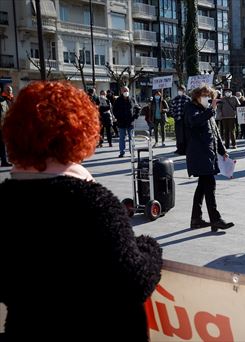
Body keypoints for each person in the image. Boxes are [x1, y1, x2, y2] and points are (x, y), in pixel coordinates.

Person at [0, 81, 162, 340]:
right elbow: (135, 279)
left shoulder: (5, 201)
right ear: (78, 132)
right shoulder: (92, 203)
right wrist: (148, 246)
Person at [184, 85, 234, 231]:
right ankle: (216, 219)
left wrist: (222, 150)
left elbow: (215, 132)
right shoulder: (191, 108)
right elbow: (193, 122)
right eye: (205, 95)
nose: (208, 99)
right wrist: (210, 110)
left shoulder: (208, 112)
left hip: (209, 153)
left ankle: (196, 219)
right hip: (199, 153)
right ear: (197, 96)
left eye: (210, 96)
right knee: (210, 185)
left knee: (202, 187)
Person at [113, 86, 141, 157]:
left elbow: (138, 108)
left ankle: (132, 152)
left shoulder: (132, 99)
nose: (125, 92)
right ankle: (122, 152)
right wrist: (118, 117)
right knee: (122, 138)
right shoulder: (118, 100)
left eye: (127, 90)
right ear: (121, 92)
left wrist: (135, 116)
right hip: (121, 122)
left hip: (130, 122)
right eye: (124, 90)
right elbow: (114, 110)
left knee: (131, 138)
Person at [170, 85, 191, 155]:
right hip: (177, 120)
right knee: (178, 135)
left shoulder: (188, 99)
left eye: (181, 90)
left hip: (185, 121)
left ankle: (186, 149)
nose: (180, 91)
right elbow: (172, 109)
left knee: (185, 135)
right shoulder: (175, 99)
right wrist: (175, 116)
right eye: (179, 90)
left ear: (184, 91)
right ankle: (179, 148)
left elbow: (190, 110)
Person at [0, 85, 14, 167]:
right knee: (2, 144)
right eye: (8, 90)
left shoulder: (11, 99)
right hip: (2, 125)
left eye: (10, 90)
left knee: (3, 144)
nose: (10, 91)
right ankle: (4, 161)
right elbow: (3, 113)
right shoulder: (2, 99)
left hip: (7, 125)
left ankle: (4, 161)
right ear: (4, 91)